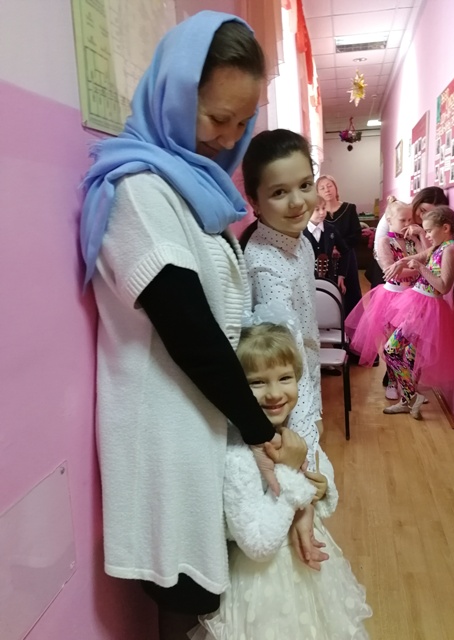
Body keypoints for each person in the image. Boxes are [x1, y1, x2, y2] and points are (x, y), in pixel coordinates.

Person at [79, 12, 292, 639]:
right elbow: (190, 331)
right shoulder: (139, 192)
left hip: (204, 420)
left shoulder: (196, 190)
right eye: (216, 116)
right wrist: (260, 429)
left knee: (205, 597)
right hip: (164, 435)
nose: (227, 138)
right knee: (185, 593)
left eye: (242, 122)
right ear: (173, 94)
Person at [191, 322, 372, 640]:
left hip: (311, 571)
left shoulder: (292, 434)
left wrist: (321, 489)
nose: (274, 393)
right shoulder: (238, 456)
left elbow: (318, 467)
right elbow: (258, 544)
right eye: (257, 382)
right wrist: (291, 477)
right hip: (263, 586)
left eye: (284, 378)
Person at [240, 129, 322, 466]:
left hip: (307, 384)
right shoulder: (266, 266)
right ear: (254, 201)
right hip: (284, 409)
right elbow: (282, 360)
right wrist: (306, 434)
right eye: (279, 192)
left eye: (305, 185)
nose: (297, 202)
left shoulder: (300, 241)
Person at [382, 206, 454, 419]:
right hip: (418, 303)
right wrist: (400, 262)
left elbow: (444, 286)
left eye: (429, 231)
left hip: (426, 308)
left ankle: (411, 396)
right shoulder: (440, 245)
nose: (426, 235)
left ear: (446, 228)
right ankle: (408, 400)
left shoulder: (451, 250)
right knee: (409, 355)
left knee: (391, 350)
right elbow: (421, 254)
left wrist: (419, 267)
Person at [345, 201, 422, 400]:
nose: (407, 224)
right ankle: (392, 380)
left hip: (413, 297)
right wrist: (419, 270)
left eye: (410, 219)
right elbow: (391, 272)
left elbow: (428, 257)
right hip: (391, 297)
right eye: (403, 220)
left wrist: (420, 235)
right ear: (389, 220)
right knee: (391, 342)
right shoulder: (385, 242)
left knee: (411, 342)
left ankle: (408, 383)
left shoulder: (413, 241)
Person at [316, 175, 363, 316]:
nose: (327, 190)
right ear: (317, 193)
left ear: (336, 188)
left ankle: (352, 323)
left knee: (351, 290)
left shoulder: (349, 208)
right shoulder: (318, 213)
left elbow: (356, 234)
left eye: (329, 186)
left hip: (347, 255)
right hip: (325, 258)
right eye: (322, 188)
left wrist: (339, 247)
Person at [304, 194, 349, 292]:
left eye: (324, 208)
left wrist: (341, 275)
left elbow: (345, 251)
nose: (322, 212)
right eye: (317, 209)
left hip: (329, 278)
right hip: (306, 281)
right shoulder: (300, 232)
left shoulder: (331, 229)